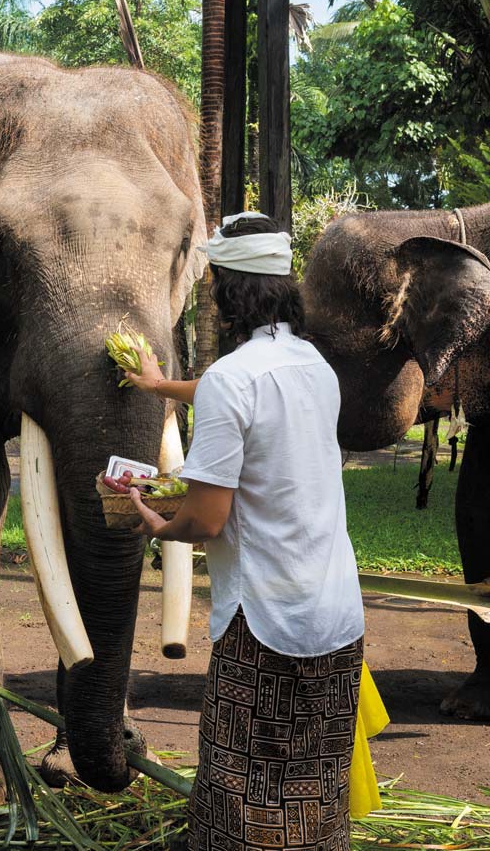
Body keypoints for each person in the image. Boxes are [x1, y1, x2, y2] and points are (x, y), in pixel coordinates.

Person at [125, 212, 364, 851]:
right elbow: (235, 388)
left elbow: (207, 518)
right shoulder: (314, 364)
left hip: (264, 622)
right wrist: (158, 385)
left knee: (243, 789)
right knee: (314, 782)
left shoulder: (235, 379)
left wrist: (156, 525)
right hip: (336, 612)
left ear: (230, 292)